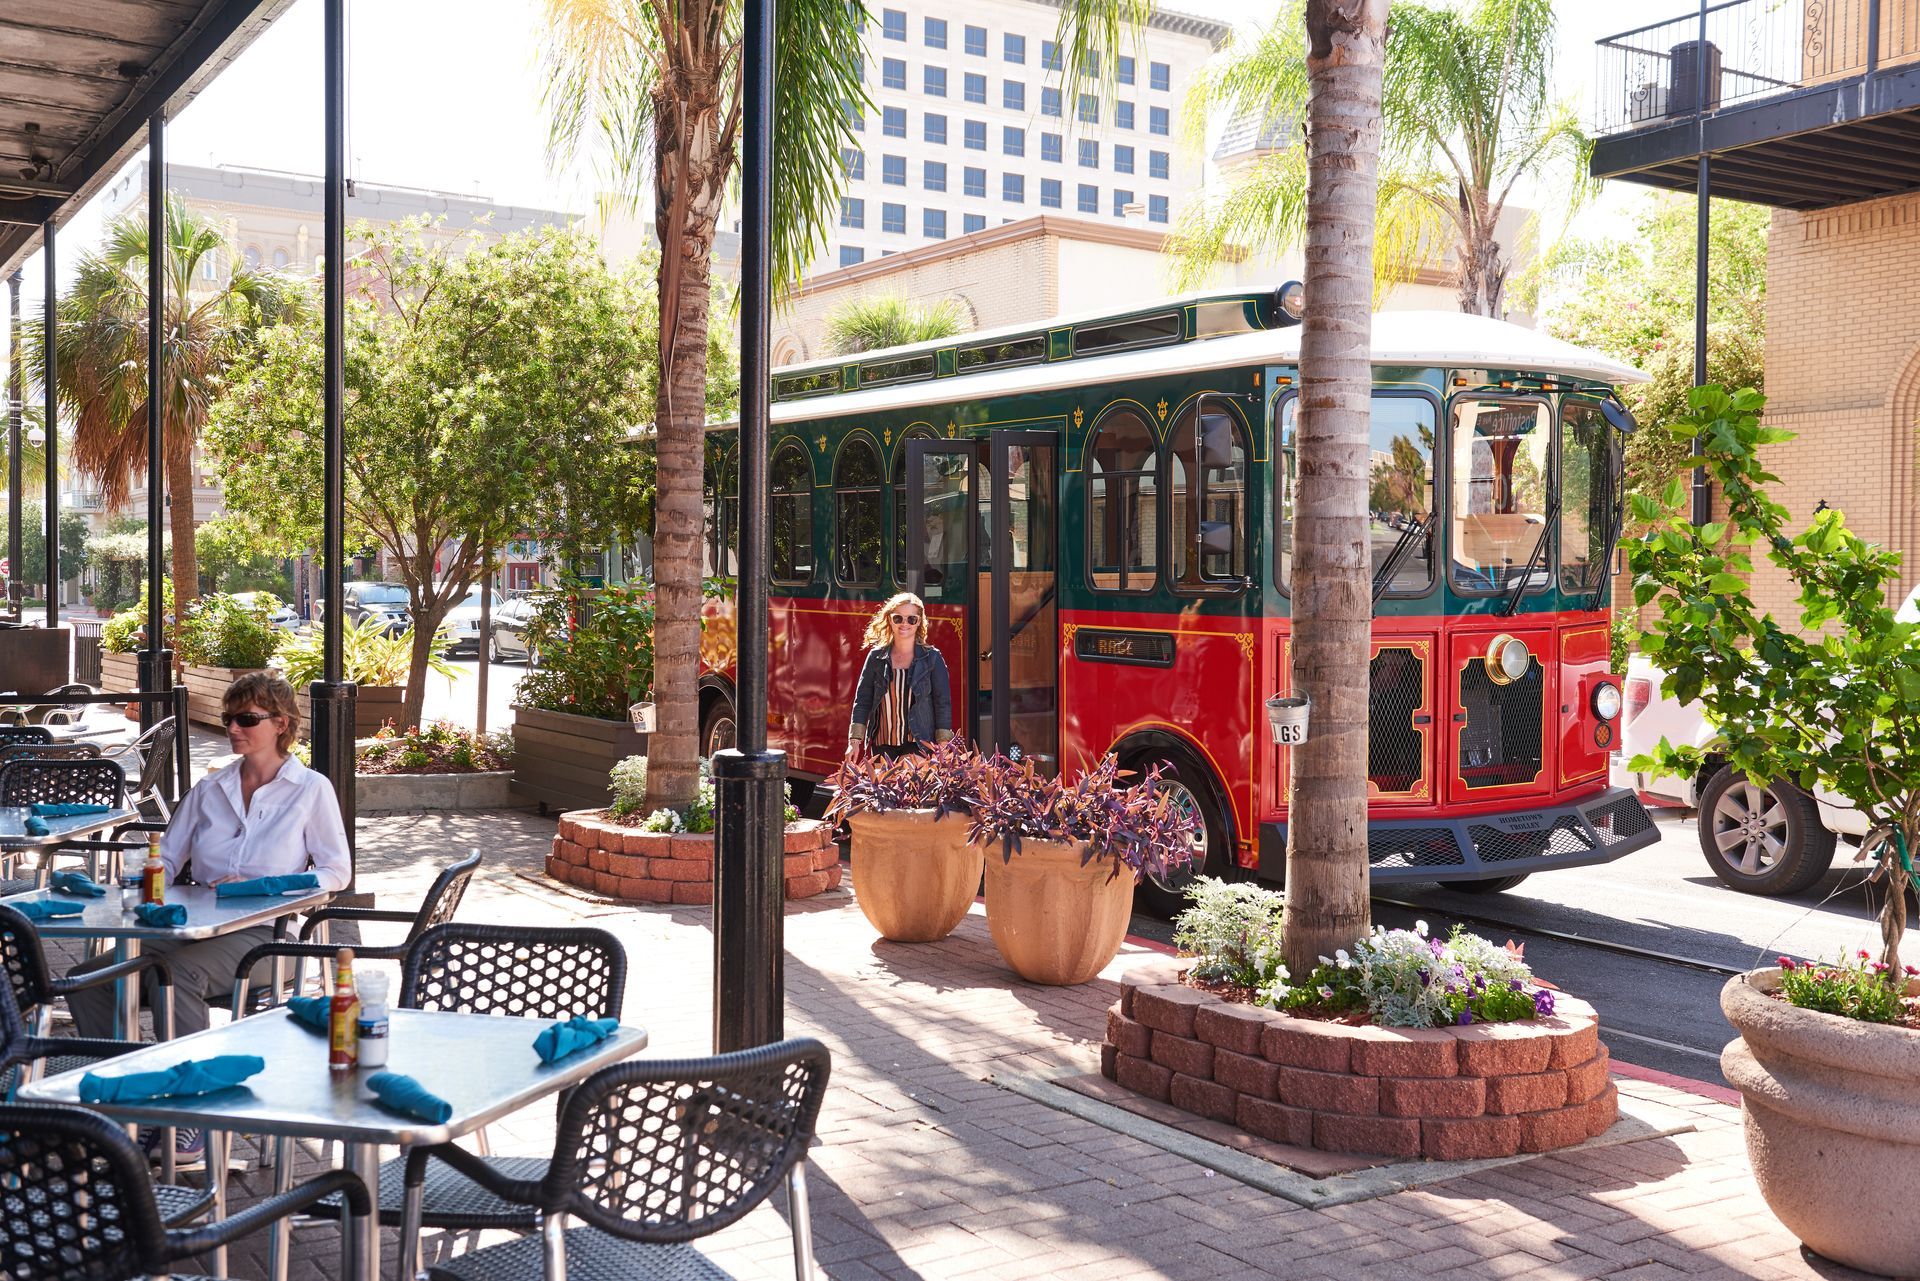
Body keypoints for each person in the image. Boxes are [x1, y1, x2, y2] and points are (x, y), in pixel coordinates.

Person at [65, 672, 352, 1162]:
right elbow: (167, 857)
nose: (234, 728)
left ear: (281, 723)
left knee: (178, 975)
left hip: (267, 939)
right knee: (89, 979)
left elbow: (335, 872)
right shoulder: (210, 788)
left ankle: (192, 1115)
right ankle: (127, 1101)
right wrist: (132, 885)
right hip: (192, 926)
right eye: (229, 719)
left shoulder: (310, 790)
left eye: (247, 719)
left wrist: (265, 886)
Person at [846, 592, 952, 761]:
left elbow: (942, 703)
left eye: (911, 619)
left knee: (906, 785)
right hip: (882, 742)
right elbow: (862, 701)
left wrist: (944, 742)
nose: (905, 624)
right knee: (884, 787)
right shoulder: (876, 657)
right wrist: (855, 740)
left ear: (919, 622)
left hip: (918, 743)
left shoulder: (932, 658)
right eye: (898, 618)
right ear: (890, 620)